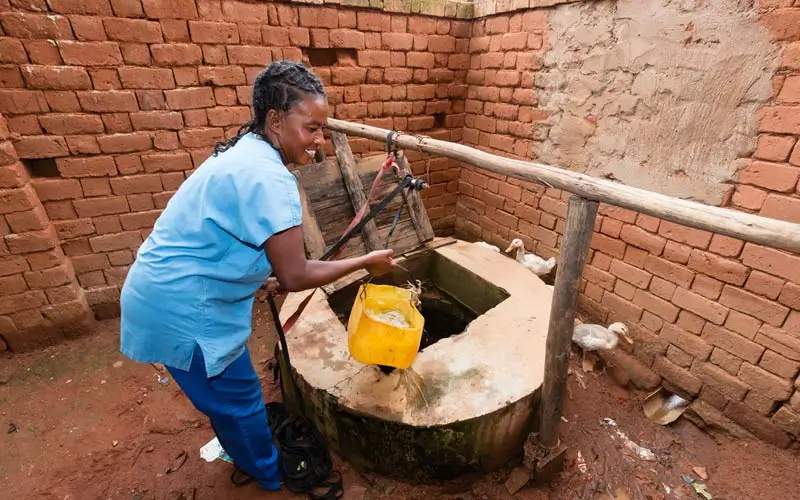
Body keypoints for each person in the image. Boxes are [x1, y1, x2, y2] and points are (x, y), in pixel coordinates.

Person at [119, 60, 395, 490]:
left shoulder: (246, 151)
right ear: (275, 119)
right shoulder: (270, 178)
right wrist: (365, 262)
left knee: (223, 401)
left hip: (160, 291)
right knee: (242, 400)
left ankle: (243, 448)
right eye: (311, 128)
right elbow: (296, 275)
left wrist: (256, 277)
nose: (319, 141)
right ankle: (268, 475)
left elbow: (226, 234)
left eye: (323, 130)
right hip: (184, 309)